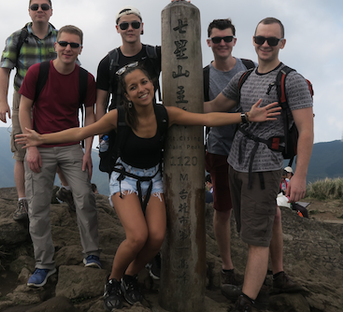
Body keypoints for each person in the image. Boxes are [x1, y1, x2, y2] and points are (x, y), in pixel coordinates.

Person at [17, 65, 280, 311]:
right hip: (125, 180)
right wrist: (41, 138)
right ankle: (114, 280)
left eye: (144, 82)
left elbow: (205, 117)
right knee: (137, 237)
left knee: (156, 238)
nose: (141, 88)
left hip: (153, 180)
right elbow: (80, 132)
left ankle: (130, 276)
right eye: (133, 87)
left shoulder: (166, 114)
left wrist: (245, 116)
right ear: (128, 95)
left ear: (152, 85)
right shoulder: (118, 116)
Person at [205, 17, 313, 311]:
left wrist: (299, 176)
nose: (265, 45)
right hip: (236, 164)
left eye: (272, 41)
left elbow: (306, 131)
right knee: (251, 231)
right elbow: (214, 108)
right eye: (260, 39)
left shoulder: (292, 80)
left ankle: (246, 301)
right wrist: (168, 110)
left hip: (264, 168)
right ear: (252, 41)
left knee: (257, 238)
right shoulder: (243, 78)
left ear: (282, 44)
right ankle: (256, 287)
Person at [18, 25, 102, 287]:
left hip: (71, 146)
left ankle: (91, 253)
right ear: (55, 45)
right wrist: (30, 146)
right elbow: (24, 109)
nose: (68, 49)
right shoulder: (38, 72)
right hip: (40, 144)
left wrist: (88, 150)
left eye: (74, 45)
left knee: (85, 196)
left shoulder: (85, 79)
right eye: (64, 44)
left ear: (80, 49)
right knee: (38, 206)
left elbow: (89, 116)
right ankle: (44, 264)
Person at [0, 0, 72, 221]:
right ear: (29, 11)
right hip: (23, 98)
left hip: (53, 99)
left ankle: (67, 190)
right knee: (22, 150)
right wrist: (2, 101)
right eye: (35, 7)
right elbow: (4, 69)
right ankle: (23, 202)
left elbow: (72, 67)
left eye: (44, 7)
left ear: (51, 11)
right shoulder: (18, 38)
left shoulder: (61, 37)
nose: (40, 10)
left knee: (58, 143)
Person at [203, 18, 256, 287]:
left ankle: (259, 268)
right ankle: (227, 267)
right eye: (216, 39)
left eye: (227, 38)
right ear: (208, 42)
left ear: (234, 41)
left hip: (252, 150)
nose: (222, 43)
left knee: (255, 210)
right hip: (220, 150)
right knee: (223, 210)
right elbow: (200, 111)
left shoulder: (249, 68)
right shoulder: (203, 75)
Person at [95, 6, 161, 122]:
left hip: (150, 123)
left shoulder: (156, 54)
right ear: (117, 28)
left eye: (135, 24)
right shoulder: (108, 62)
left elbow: (182, 50)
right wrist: (102, 136)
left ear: (142, 27)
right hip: (118, 126)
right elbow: (100, 103)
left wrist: (180, 7)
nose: (130, 29)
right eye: (124, 25)